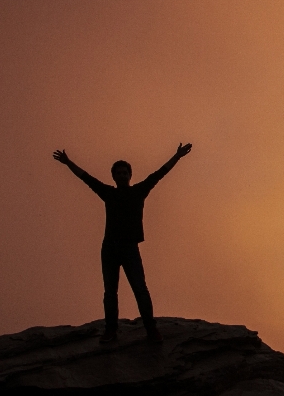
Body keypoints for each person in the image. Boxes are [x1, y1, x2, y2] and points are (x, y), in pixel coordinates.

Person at [52, 143, 192, 343]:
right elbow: (86, 178)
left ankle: (151, 329)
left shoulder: (139, 191)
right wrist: (68, 163)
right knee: (110, 291)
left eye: (125, 172)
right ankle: (111, 331)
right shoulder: (109, 193)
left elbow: (159, 173)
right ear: (114, 177)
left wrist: (177, 156)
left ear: (130, 175)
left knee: (140, 288)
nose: (122, 175)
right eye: (118, 173)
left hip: (129, 248)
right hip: (110, 247)